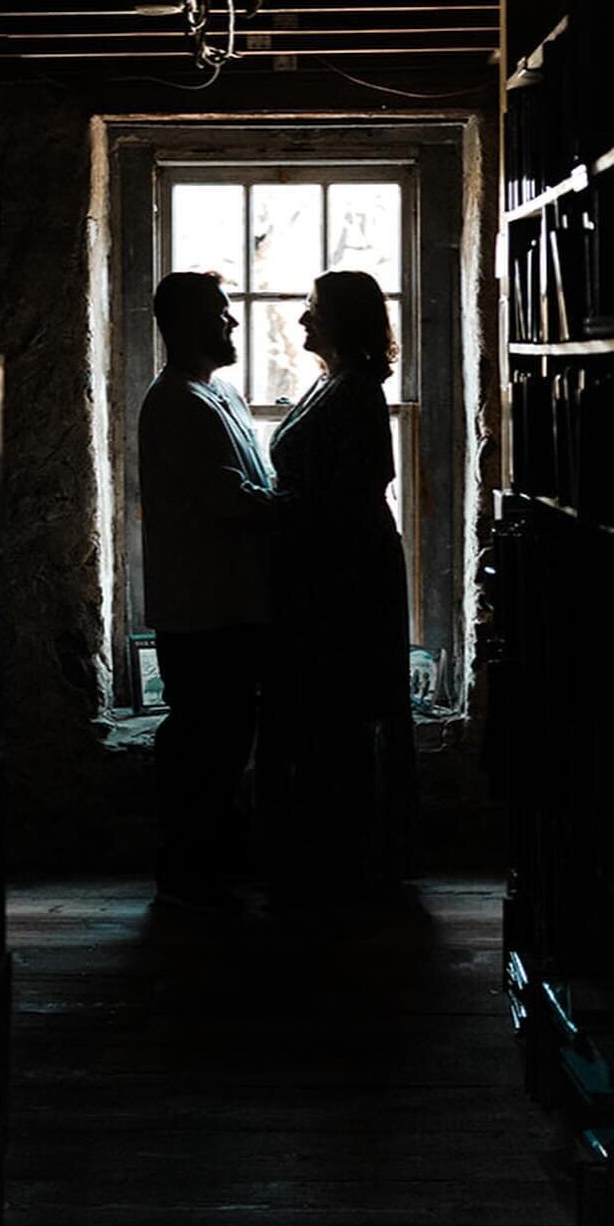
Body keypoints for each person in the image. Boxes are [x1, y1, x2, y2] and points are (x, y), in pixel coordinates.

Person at [262, 269, 416, 901]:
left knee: (343, 706)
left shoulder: (355, 392)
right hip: (328, 566)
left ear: (344, 321)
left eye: (313, 309)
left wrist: (279, 510)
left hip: (346, 573)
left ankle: (346, 860)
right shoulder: (331, 384)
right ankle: (332, 852)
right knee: (329, 709)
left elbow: (358, 485)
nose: (302, 320)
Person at [138, 271, 274, 910]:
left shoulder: (222, 396)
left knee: (226, 732)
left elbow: (255, 481)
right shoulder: (176, 404)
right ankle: (185, 864)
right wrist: (302, 509)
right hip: (200, 604)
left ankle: (210, 855)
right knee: (201, 733)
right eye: (222, 314)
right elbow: (230, 499)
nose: (234, 323)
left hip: (234, 599)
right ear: (189, 324)